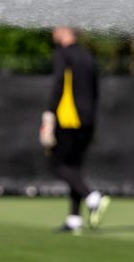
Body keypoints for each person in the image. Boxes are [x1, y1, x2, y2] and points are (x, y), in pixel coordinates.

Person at [40, 26, 109, 234]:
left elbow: (59, 83)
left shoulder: (63, 54)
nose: (53, 31)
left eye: (56, 27)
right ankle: (74, 219)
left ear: (66, 30)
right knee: (74, 168)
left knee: (57, 164)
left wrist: (49, 115)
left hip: (68, 118)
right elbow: (96, 92)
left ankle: (92, 197)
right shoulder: (88, 57)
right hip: (87, 120)